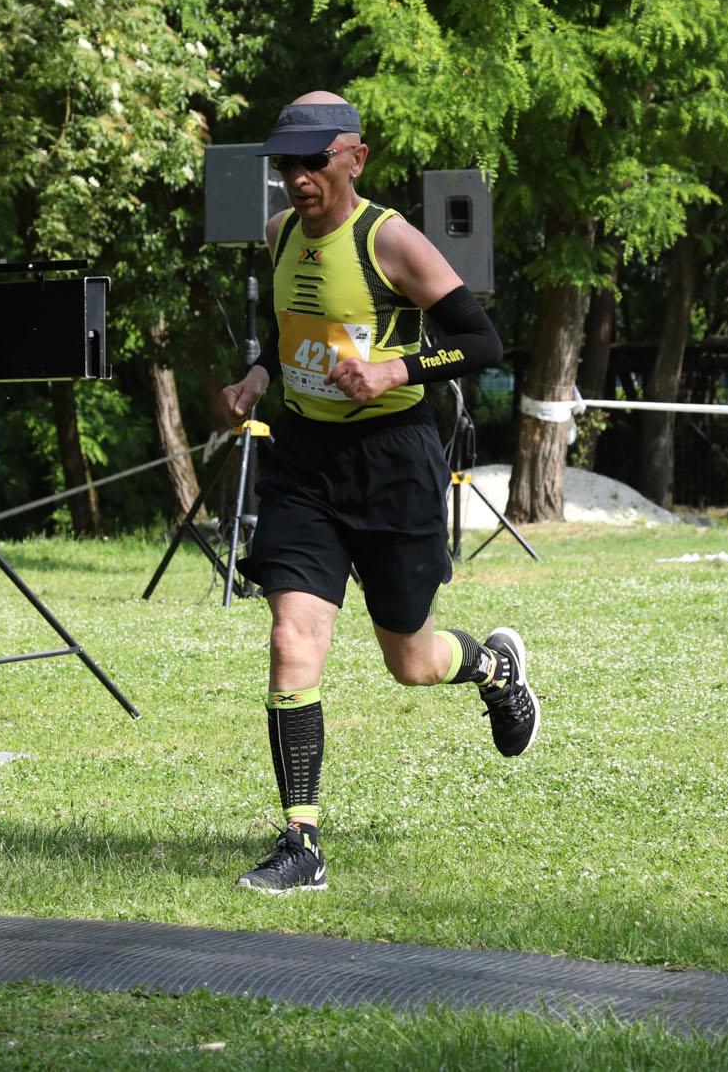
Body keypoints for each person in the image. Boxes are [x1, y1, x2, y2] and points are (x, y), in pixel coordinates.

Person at [217, 93, 533, 894]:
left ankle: (494, 668)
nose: (297, 179)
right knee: (292, 637)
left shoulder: (388, 240)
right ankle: (302, 842)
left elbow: (483, 340)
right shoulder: (279, 234)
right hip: (305, 461)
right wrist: (259, 373)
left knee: (412, 660)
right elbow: (292, 324)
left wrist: (397, 369)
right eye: (285, 164)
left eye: (313, 162)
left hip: (392, 461)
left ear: (354, 157)